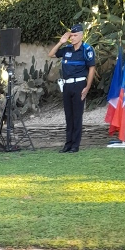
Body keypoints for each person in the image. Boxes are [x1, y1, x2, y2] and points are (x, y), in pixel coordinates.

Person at [48, 23, 96, 153]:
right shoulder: (67, 49)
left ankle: (75, 145)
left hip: (79, 84)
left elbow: (91, 68)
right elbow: (51, 54)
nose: (72, 38)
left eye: (75, 35)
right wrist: (60, 42)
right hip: (67, 85)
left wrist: (87, 87)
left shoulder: (87, 49)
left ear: (81, 36)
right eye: (71, 35)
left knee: (77, 116)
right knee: (68, 116)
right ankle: (68, 144)